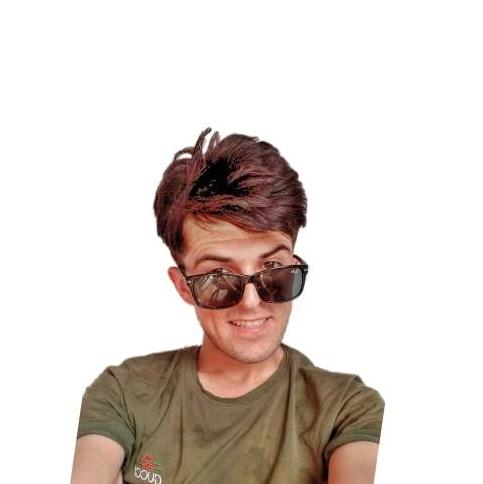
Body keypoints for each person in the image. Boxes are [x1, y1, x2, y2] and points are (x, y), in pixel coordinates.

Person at [71, 128, 384, 484]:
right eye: (218, 276)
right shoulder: (124, 393)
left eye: (273, 268)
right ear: (183, 287)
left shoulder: (347, 409)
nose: (251, 302)